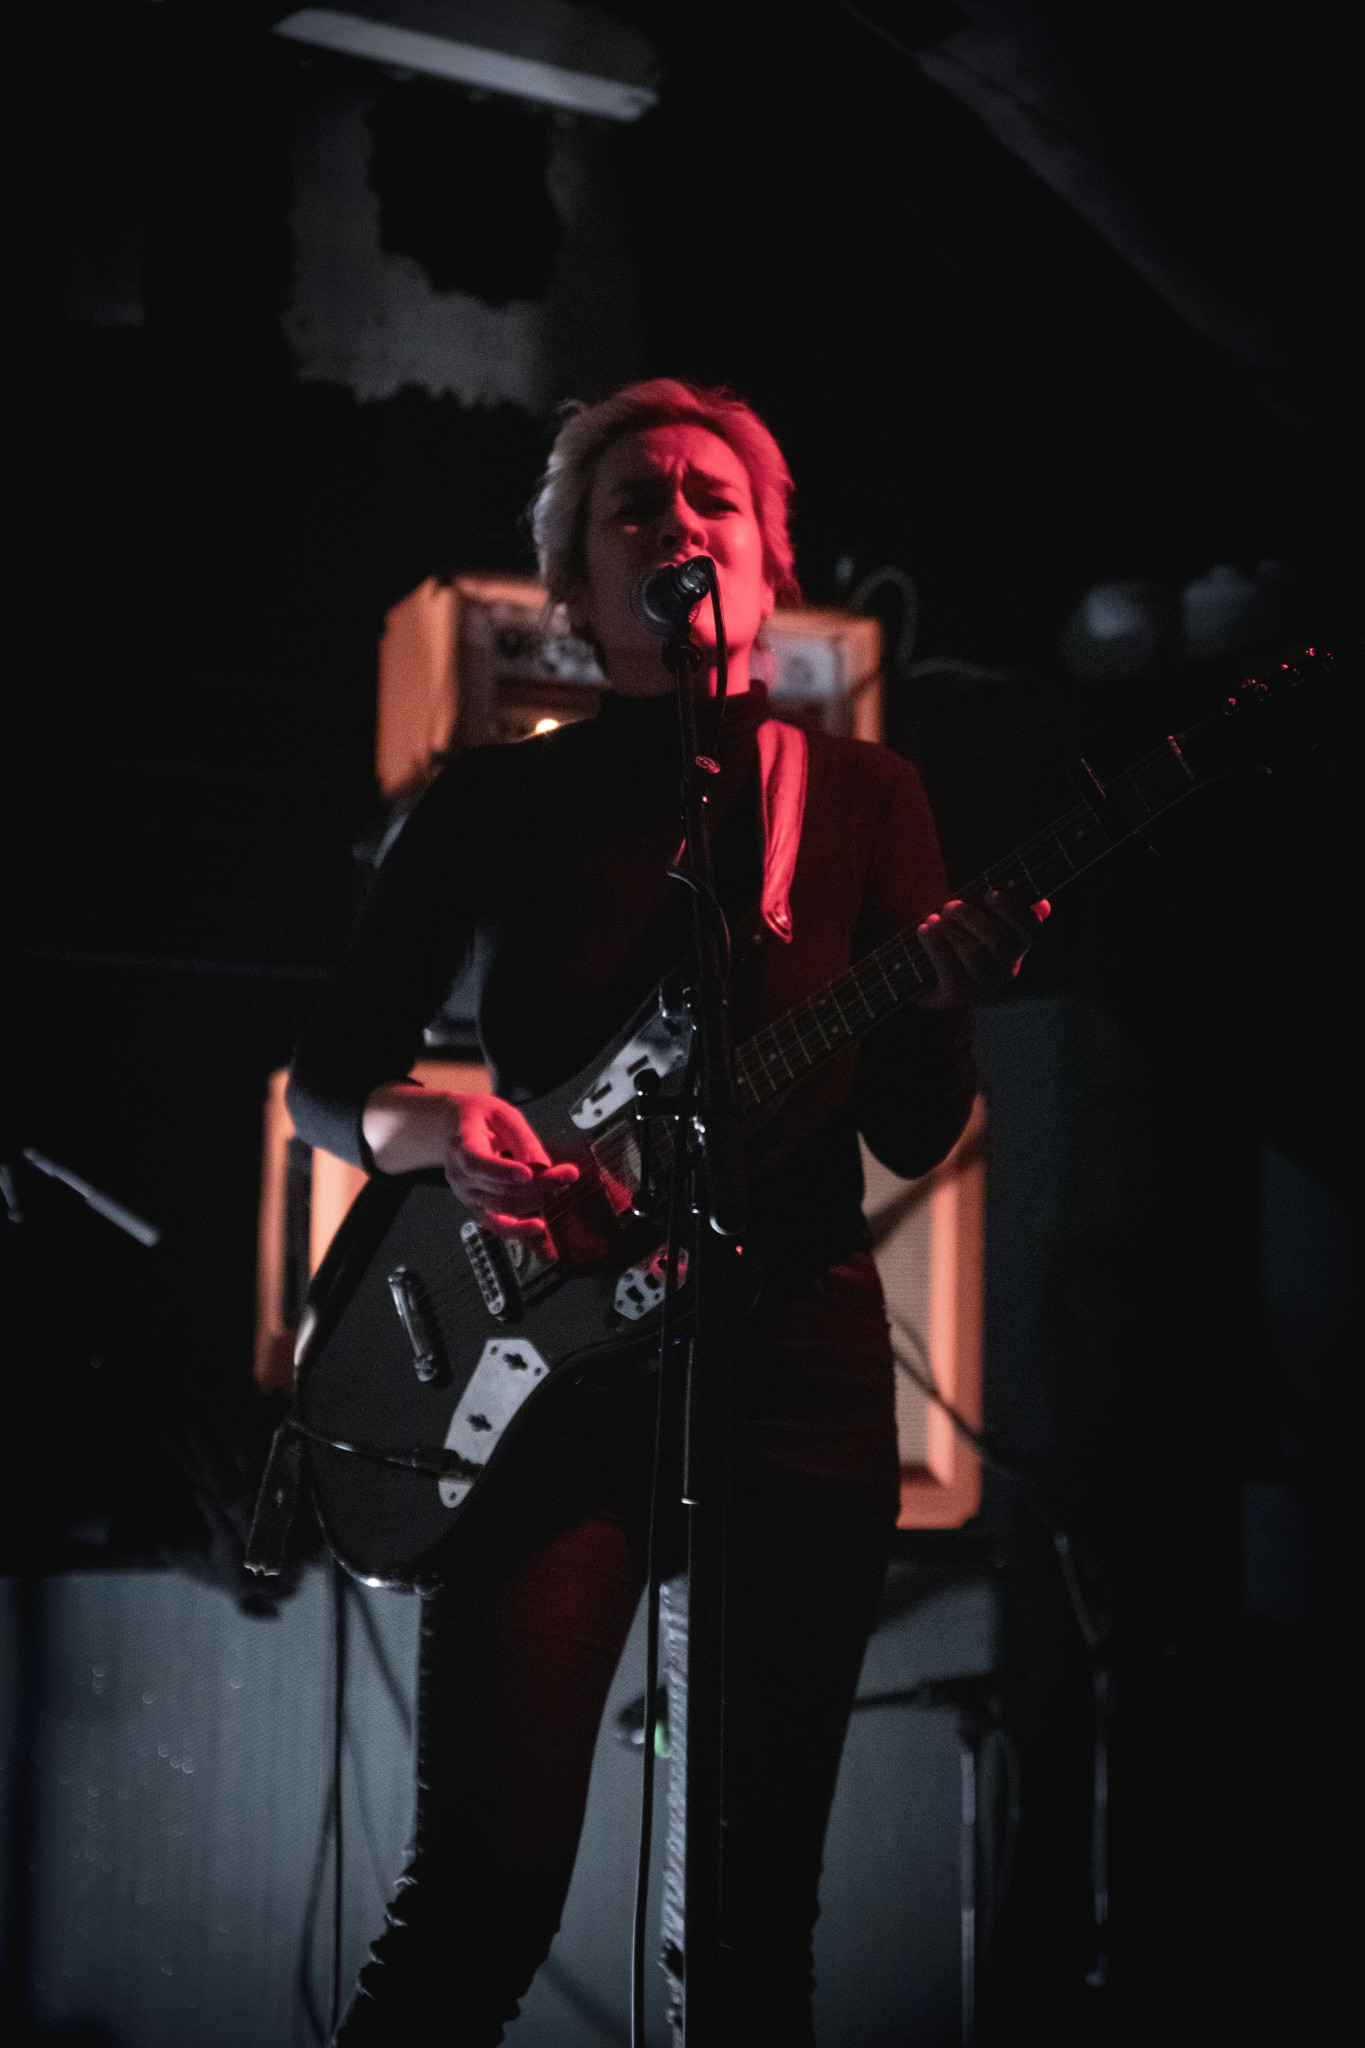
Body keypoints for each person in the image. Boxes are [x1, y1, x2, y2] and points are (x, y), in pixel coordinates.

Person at [286, 379, 1046, 2044]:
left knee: (751, 1927)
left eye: (714, 499)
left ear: (768, 563)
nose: (678, 523)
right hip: (541, 1381)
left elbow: (912, 1132)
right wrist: (440, 1128)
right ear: (573, 579)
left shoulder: (863, 797)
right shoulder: (489, 801)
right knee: (479, 1898)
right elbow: (326, 1081)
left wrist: (938, 1009)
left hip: (793, 1376)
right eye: (635, 503)